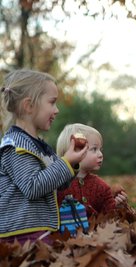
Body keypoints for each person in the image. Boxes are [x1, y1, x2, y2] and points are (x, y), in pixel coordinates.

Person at [0, 69, 87, 244]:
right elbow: (33, 187)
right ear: (29, 105)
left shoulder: (38, 145)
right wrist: (65, 162)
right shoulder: (16, 146)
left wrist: (72, 163)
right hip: (20, 234)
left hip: (35, 230)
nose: (57, 110)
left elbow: (57, 182)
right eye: (52, 102)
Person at [56, 123, 128, 218]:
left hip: (96, 232)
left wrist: (119, 206)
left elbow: (109, 216)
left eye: (100, 149)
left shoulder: (101, 187)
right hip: (65, 231)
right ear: (74, 152)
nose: (100, 154)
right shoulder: (57, 185)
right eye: (94, 149)